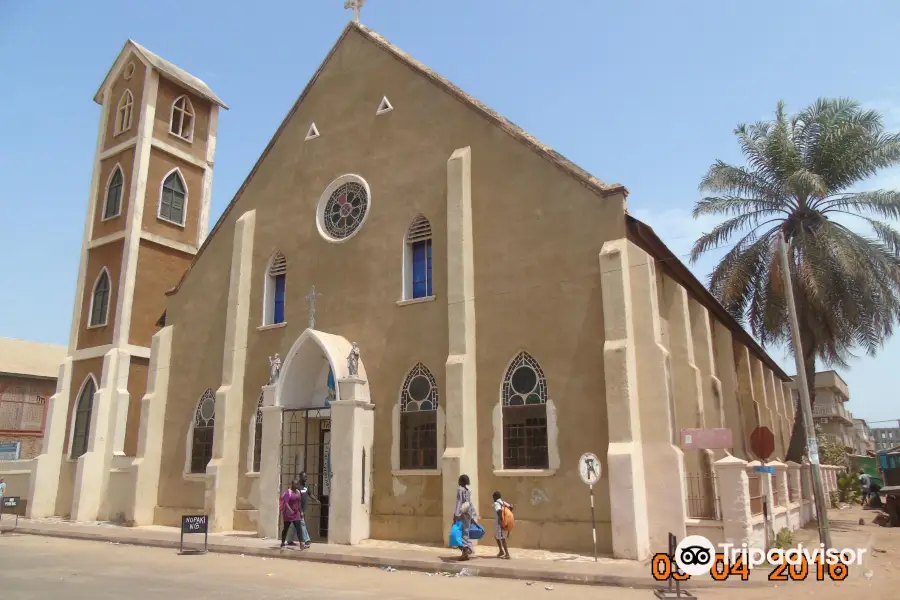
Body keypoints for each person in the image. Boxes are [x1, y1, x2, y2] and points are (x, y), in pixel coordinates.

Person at [454, 474, 477, 561]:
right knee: (465, 532)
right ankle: (467, 552)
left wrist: (456, 514)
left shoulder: (460, 490)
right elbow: (470, 504)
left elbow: (459, 502)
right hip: (467, 513)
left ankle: (465, 550)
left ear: (461, 481)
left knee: (458, 533)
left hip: (462, 514)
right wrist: (472, 516)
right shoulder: (468, 491)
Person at [279, 481, 305, 549]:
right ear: (292, 484)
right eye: (295, 484)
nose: (297, 485)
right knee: (286, 528)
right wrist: (290, 511)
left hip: (296, 513)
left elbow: (299, 503)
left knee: (299, 528)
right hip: (288, 514)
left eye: (297, 484)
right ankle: (282, 542)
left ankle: (301, 544)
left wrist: (301, 511)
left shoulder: (298, 492)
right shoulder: (288, 492)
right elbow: (286, 503)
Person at [298, 472, 318, 548]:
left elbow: (310, 494)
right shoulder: (297, 486)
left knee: (294, 524)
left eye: (306, 476)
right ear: (300, 477)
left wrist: (315, 499)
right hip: (297, 508)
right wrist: (300, 510)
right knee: (302, 523)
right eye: (304, 477)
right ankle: (307, 540)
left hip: (303, 508)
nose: (306, 478)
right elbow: (296, 499)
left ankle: (288, 539)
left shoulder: (306, 485)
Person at [492, 491, 512, 559]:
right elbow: (511, 507)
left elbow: (499, 511)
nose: (493, 498)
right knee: (496, 536)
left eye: (493, 497)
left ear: (495, 497)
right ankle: (501, 551)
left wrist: (501, 520)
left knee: (502, 538)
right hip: (501, 522)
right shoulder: (503, 502)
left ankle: (507, 553)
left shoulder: (496, 503)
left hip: (499, 523)